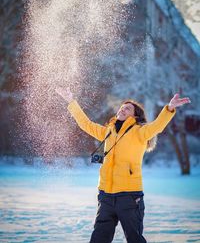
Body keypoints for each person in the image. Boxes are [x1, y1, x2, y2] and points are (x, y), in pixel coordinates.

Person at [56, 87, 191, 243]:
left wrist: (169, 108)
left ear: (135, 115)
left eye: (128, 108)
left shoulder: (140, 132)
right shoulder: (108, 131)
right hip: (106, 195)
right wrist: (71, 102)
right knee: (99, 239)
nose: (123, 109)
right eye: (122, 107)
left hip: (129, 196)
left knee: (135, 239)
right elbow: (85, 124)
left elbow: (157, 126)